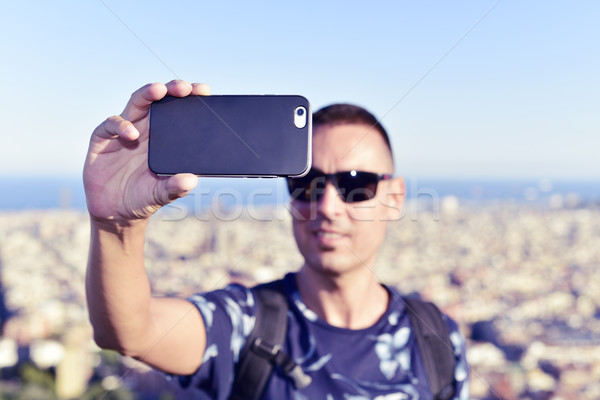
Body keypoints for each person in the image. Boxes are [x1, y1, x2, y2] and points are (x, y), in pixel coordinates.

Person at [84, 80, 469, 399]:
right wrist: (117, 223)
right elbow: (131, 331)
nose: (327, 206)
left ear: (395, 197)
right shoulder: (247, 324)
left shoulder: (436, 339)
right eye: (305, 183)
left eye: (357, 185)